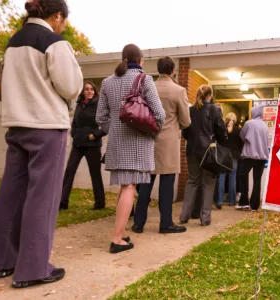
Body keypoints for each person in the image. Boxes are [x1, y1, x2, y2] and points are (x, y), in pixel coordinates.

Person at [0, 0, 83, 288]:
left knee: (10, 194)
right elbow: (69, 86)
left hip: (17, 125)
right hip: (47, 127)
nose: (64, 25)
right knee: (43, 197)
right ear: (57, 16)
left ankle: (2, 260)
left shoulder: (13, 43)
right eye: (64, 20)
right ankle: (33, 268)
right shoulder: (54, 42)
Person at [96, 44, 165, 254]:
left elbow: (100, 117)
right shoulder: (145, 80)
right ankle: (117, 239)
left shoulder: (107, 82)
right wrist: (152, 133)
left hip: (117, 144)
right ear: (141, 60)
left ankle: (121, 231)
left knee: (124, 186)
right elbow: (160, 115)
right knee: (129, 187)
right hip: (137, 142)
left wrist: (115, 130)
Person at [132, 57, 191, 234]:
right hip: (169, 142)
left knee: (146, 183)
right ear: (173, 70)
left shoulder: (147, 88)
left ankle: (138, 223)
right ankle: (165, 223)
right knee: (167, 184)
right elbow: (186, 120)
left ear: (158, 69)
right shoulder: (179, 90)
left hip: (149, 138)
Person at [179, 86, 226, 226]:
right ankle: (205, 218)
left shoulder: (191, 110)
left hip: (192, 150)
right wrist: (220, 141)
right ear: (209, 95)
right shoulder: (215, 109)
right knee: (208, 184)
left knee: (192, 181)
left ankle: (184, 215)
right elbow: (221, 130)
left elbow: (185, 132)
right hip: (209, 151)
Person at [60, 82, 106, 211]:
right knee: (69, 171)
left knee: (95, 174)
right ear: (83, 92)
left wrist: (95, 135)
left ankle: (100, 203)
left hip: (92, 144)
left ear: (95, 91)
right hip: (78, 143)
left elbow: (108, 123)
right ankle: (63, 202)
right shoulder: (80, 104)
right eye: (87, 89)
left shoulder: (99, 104)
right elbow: (75, 121)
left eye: (92, 89)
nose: (89, 91)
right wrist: (74, 133)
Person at [236, 106, 269, 211]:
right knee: (257, 180)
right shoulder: (265, 125)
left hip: (249, 155)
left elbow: (242, 135)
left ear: (253, 112)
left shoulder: (248, 123)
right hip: (262, 156)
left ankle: (243, 202)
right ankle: (254, 205)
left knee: (242, 176)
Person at [216, 112, 243, 208]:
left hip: (223, 156)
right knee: (232, 178)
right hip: (234, 156)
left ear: (226, 119)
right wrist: (238, 153)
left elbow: (219, 141)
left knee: (221, 178)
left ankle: (219, 201)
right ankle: (231, 201)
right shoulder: (239, 130)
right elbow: (241, 144)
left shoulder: (222, 129)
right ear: (235, 119)